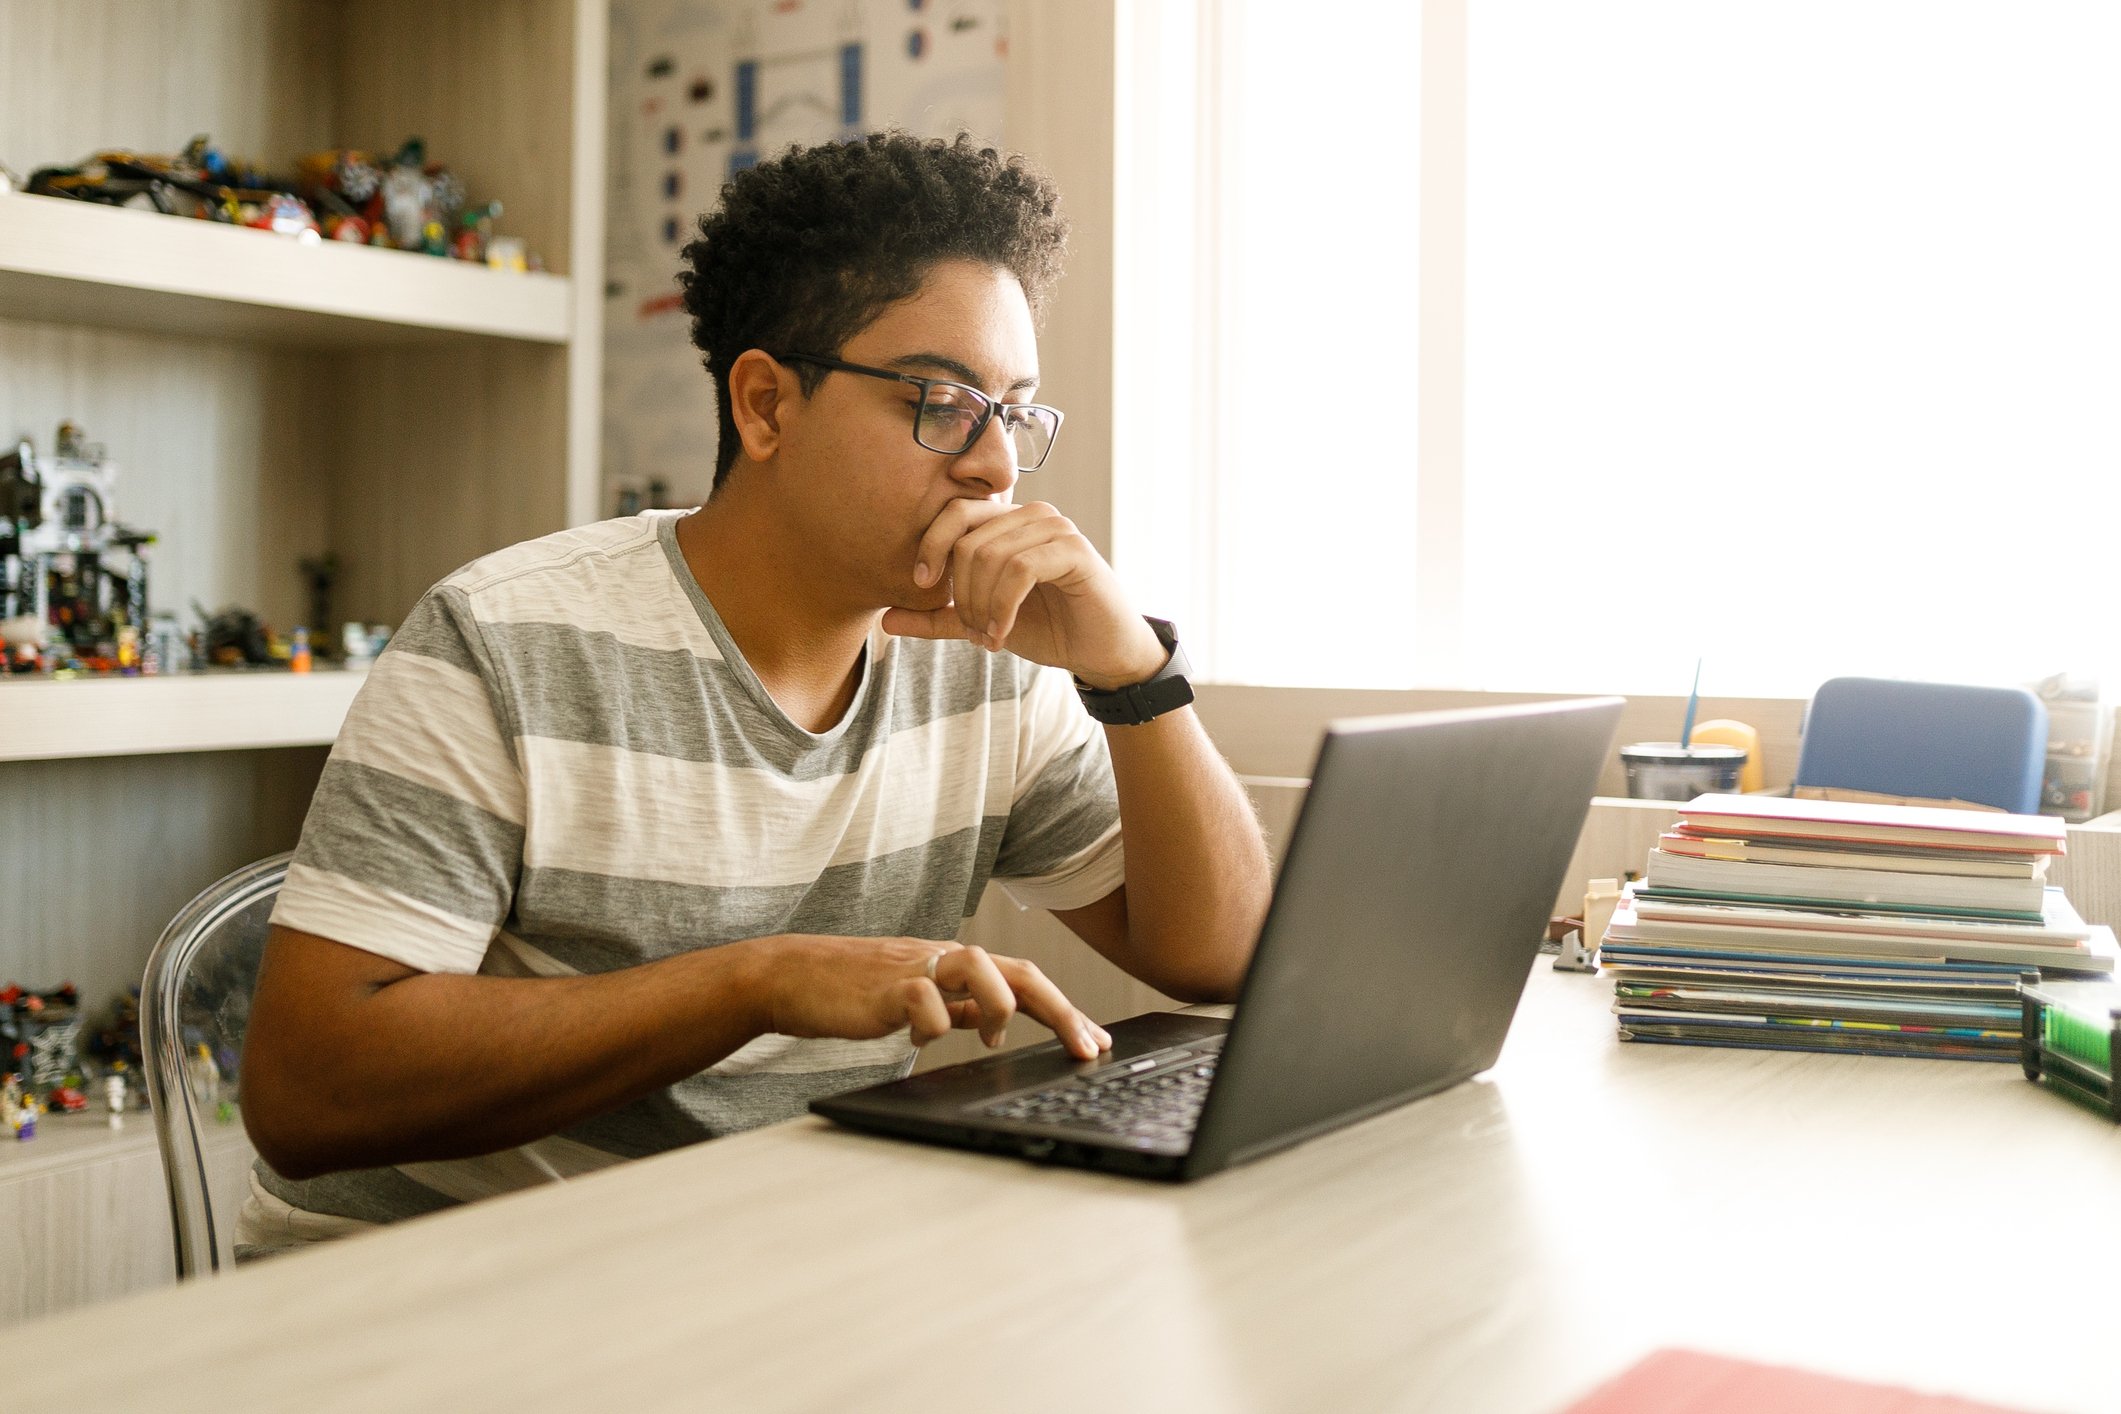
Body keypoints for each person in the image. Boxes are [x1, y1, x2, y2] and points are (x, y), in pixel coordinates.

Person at [237, 132, 1273, 1250]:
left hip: (762, 1265)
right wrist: (759, 982)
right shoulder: (505, 639)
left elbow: (1213, 954)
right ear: (766, 406)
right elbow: (308, 1095)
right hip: (442, 1296)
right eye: (943, 401)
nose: (995, 467)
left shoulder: (987, 664)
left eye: (1013, 410)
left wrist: (1134, 677)